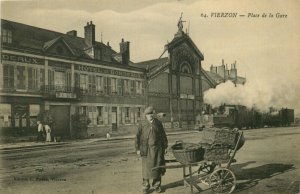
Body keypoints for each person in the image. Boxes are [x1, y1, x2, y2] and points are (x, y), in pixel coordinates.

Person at [135, 106, 168, 194]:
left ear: (153, 114)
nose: (150, 115)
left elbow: (163, 135)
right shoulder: (142, 124)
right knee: (146, 170)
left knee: (157, 168)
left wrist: (165, 147)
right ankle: (146, 186)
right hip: (146, 150)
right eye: (148, 114)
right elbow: (137, 137)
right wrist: (137, 149)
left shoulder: (158, 123)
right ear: (145, 115)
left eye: (151, 114)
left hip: (157, 150)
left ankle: (157, 186)